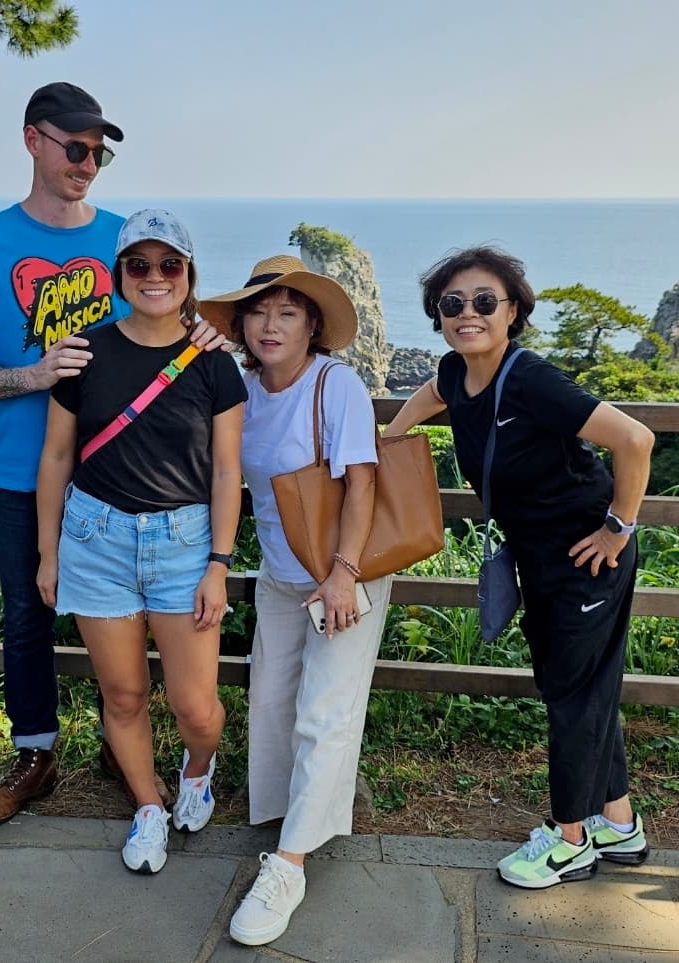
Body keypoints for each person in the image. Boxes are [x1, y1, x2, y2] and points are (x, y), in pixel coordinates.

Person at [0, 82, 220, 825]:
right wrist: (31, 374)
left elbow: (179, 323)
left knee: (141, 616)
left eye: (99, 152)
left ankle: (121, 750)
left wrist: (214, 336)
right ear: (33, 139)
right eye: (75, 147)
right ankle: (35, 754)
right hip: (20, 470)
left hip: (121, 480)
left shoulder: (130, 240)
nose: (88, 164)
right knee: (28, 611)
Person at [385, 246, 655, 890]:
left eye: (485, 302)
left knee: (571, 692)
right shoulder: (457, 373)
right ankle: (620, 823)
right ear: (439, 316)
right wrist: (387, 441)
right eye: (453, 304)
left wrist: (618, 526)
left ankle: (570, 840)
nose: (467, 314)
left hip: (586, 555)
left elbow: (635, 439)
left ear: (513, 312)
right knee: (580, 685)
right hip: (538, 556)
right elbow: (429, 395)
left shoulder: (529, 378)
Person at [36, 209, 246, 874]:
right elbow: (55, 456)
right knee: (122, 694)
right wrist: (48, 553)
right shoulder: (84, 353)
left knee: (195, 705)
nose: (153, 277)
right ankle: (147, 806)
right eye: (139, 264)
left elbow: (226, 469)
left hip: (183, 543)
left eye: (169, 265)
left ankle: (196, 771)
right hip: (96, 536)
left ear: (188, 276)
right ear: (119, 274)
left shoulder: (215, 364)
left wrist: (218, 561)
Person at [199, 256, 394, 944]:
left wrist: (343, 572)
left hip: (344, 569)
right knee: (272, 698)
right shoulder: (240, 389)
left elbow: (363, 484)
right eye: (256, 312)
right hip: (280, 571)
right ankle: (292, 815)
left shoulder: (333, 384)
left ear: (313, 324)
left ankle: (288, 862)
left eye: (287, 312)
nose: (270, 324)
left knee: (324, 710)